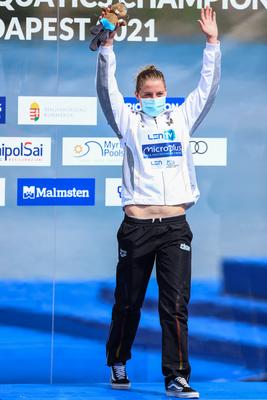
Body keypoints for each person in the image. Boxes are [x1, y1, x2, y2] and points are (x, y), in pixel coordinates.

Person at [95, 5, 221, 398]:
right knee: (128, 303)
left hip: (174, 227)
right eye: (147, 94)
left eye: (160, 94)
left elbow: (208, 88)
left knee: (175, 305)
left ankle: (176, 376)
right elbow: (106, 89)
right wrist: (107, 47)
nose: (154, 98)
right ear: (138, 96)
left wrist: (213, 43)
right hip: (136, 228)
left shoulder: (181, 119)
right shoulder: (128, 121)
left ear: (167, 95)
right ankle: (118, 360)